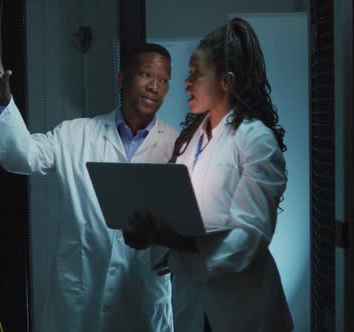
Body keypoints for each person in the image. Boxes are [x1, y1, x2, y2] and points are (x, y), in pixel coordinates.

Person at [0, 40, 178, 331]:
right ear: (122, 78)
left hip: (142, 300)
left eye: (164, 80)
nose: (155, 87)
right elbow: (23, 155)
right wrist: (0, 100)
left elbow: (189, 219)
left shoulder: (177, 145)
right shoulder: (76, 134)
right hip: (81, 299)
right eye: (146, 75)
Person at [123, 18, 293, 331]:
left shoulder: (256, 141)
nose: (186, 82)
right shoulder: (189, 142)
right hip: (192, 304)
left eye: (196, 73)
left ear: (226, 82)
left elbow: (251, 235)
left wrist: (178, 240)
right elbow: (178, 218)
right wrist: (152, 235)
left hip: (242, 307)